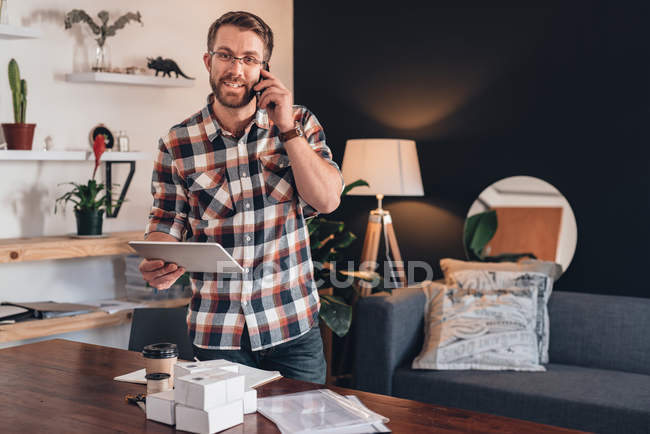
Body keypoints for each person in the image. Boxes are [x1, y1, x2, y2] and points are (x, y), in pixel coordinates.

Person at [138, 11, 344, 384]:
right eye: (226, 55)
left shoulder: (300, 122)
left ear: (263, 69)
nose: (236, 68)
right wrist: (159, 258)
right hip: (219, 334)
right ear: (208, 61)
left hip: (292, 327)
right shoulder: (177, 142)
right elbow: (165, 223)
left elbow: (327, 200)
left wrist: (286, 128)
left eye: (249, 59)